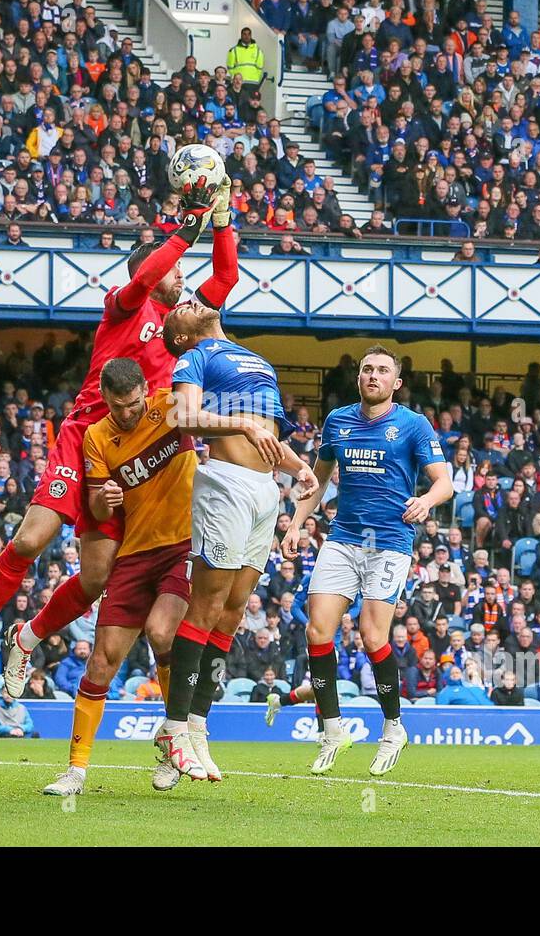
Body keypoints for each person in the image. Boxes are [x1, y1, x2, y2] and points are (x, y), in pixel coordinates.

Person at [0, 177, 236, 694]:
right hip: (85, 432)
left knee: (98, 578)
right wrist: (182, 231)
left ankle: (27, 639)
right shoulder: (124, 304)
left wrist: (221, 221)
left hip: (139, 451)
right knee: (31, 539)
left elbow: (226, 276)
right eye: (175, 268)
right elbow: (149, 272)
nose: (182, 275)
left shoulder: (182, 326)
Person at [153, 297, 315, 782]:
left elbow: (267, 438)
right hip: (225, 481)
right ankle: (174, 727)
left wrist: (298, 466)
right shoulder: (193, 357)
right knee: (206, 605)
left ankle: (198, 727)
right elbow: (183, 418)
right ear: (180, 335)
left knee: (233, 610)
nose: (189, 300)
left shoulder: (256, 358)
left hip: (267, 489)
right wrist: (241, 423)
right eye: (178, 308)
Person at [280, 345, 451, 775]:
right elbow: (317, 481)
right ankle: (332, 731)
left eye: (381, 371)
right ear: (358, 378)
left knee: (373, 637)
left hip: (390, 542)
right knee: (318, 630)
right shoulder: (338, 421)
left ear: (396, 383)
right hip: (343, 538)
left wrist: (427, 500)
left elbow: (444, 481)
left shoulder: (412, 425)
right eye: (366, 369)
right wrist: (297, 524)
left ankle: (393, 727)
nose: (372, 375)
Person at [41, 359, 195, 796]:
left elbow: (211, 427)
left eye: (131, 405)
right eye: (116, 406)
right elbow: (96, 508)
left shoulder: (171, 406)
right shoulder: (97, 436)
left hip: (183, 544)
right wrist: (106, 497)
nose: (126, 414)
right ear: (105, 400)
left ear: (145, 390)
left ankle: (173, 747)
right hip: (133, 553)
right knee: (102, 660)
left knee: (162, 634)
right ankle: (75, 770)